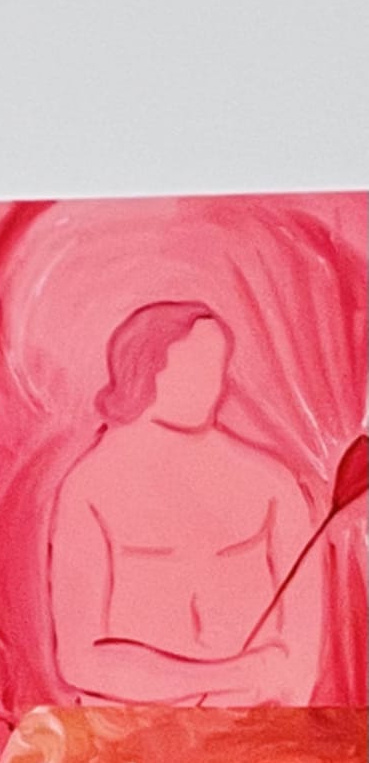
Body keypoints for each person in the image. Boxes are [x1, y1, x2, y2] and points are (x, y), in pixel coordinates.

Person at [48, 301, 324, 706]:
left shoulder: (272, 483)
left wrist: (260, 698)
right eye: (193, 366)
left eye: (217, 365)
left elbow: (300, 651)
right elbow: (79, 662)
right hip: (130, 731)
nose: (213, 383)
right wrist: (230, 674)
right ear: (143, 370)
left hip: (252, 726)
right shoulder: (89, 486)